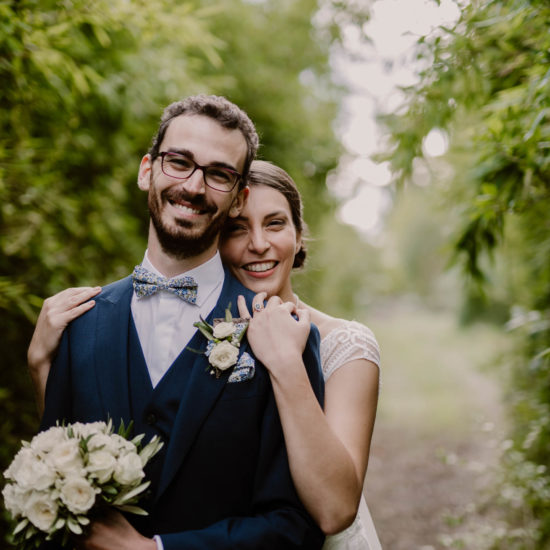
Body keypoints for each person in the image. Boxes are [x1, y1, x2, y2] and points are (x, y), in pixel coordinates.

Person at [29, 160, 381, 549]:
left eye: (276, 224)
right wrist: (42, 364)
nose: (259, 244)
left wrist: (284, 361)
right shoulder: (179, 324)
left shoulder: (345, 344)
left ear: (299, 236)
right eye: (237, 228)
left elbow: (333, 509)